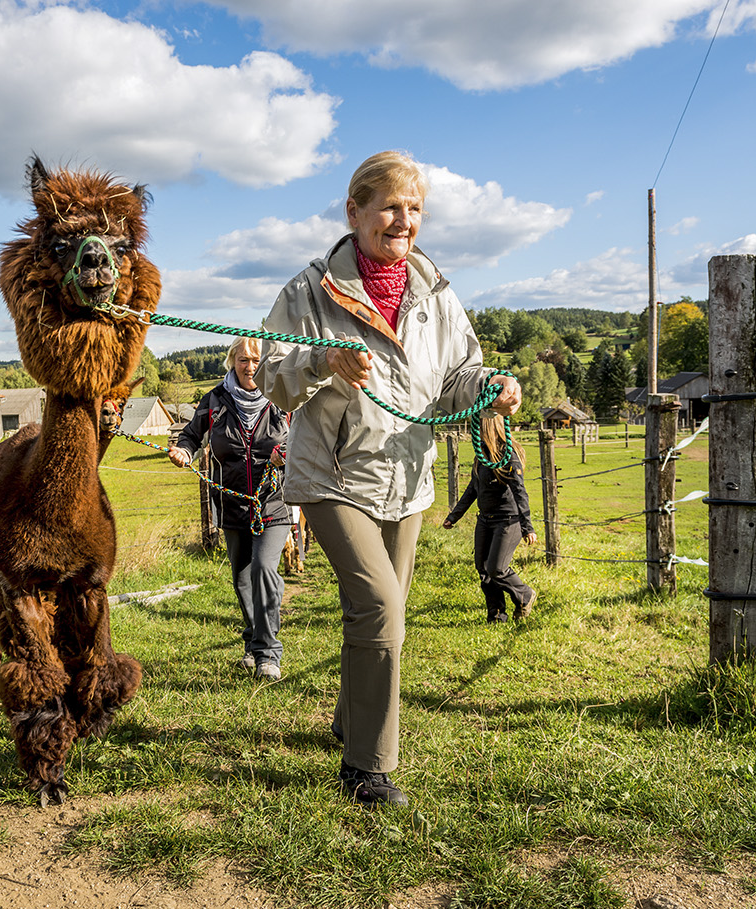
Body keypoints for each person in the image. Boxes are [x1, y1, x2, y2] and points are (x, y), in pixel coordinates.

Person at [255, 150, 522, 808]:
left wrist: (489, 386)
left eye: (415, 210)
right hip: (333, 475)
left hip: (408, 478)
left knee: (386, 611)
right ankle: (366, 769)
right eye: (390, 208)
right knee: (379, 606)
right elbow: (271, 376)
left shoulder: (434, 292)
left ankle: (351, 719)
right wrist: (321, 360)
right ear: (355, 211)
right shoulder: (309, 289)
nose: (404, 221)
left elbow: (457, 373)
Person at [169, 337, 292, 680]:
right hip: (232, 503)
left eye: (256, 360)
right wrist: (184, 450)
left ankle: (269, 653)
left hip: (273, 501)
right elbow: (192, 435)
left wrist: (288, 455)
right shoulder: (216, 401)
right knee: (242, 580)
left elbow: (304, 438)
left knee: (263, 571)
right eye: (243, 360)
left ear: (265, 363)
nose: (250, 367)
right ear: (232, 362)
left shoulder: (283, 397)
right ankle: (254, 641)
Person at [442, 413, 537, 623]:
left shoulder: (507, 456)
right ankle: (496, 616)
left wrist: (527, 526)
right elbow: (472, 489)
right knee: (483, 570)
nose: (471, 433)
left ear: (487, 428)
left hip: (507, 520)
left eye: (475, 428)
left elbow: (520, 491)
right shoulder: (481, 456)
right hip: (485, 520)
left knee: (496, 568)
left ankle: (525, 595)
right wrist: (454, 516)